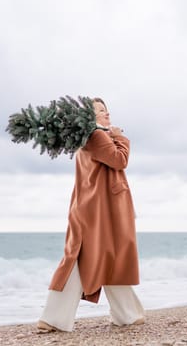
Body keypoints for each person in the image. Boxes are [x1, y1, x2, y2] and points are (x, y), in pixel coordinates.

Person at [37, 97, 144, 332]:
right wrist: (118, 136)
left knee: (109, 256)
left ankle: (127, 314)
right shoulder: (96, 135)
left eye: (106, 110)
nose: (106, 114)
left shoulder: (91, 136)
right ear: (87, 116)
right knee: (78, 258)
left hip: (98, 209)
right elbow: (119, 160)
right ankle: (53, 317)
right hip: (96, 211)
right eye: (100, 111)